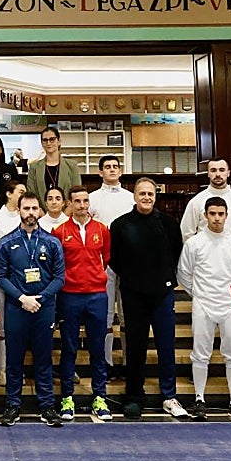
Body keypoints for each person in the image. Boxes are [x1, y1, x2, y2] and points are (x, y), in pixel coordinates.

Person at [109, 178, 187, 419]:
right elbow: (115, 259)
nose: (146, 197)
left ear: (156, 196)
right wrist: (134, 279)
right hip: (133, 294)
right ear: (134, 196)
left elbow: (175, 253)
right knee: (135, 347)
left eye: (150, 194)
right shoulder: (120, 225)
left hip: (163, 294)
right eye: (142, 193)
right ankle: (134, 396)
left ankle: (169, 396)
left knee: (166, 346)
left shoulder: (169, 224)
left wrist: (162, 279)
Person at [177, 197, 231, 422]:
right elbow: (184, 274)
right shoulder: (194, 243)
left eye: (221, 214)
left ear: (227, 216)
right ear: (205, 216)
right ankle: (199, 399)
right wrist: (200, 295)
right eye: (212, 214)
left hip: (230, 305)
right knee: (201, 353)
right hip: (203, 304)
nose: (217, 218)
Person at [0, 194, 66, 426]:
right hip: (17, 307)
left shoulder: (52, 241)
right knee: (14, 359)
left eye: (34, 208)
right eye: (26, 208)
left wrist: (41, 297)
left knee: (43, 359)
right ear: (19, 210)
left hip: (44, 307)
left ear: (40, 211)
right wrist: (22, 298)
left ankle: (47, 406)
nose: (30, 212)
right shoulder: (7, 242)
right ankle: (12, 405)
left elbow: (59, 278)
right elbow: (2, 277)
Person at [52, 185, 113, 422]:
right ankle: (67, 396)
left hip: (97, 295)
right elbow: (58, 264)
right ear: (70, 204)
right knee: (69, 348)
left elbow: (105, 258)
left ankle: (100, 397)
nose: (82, 206)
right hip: (70, 295)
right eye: (77, 201)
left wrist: (94, 278)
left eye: (85, 201)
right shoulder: (60, 231)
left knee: (97, 348)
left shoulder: (102, 230)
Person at [89, 155, 134, 377]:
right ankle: (106, 363)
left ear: (120, 170)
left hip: (127, 261)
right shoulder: (92, 198)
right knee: (105, 314)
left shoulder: (130, 198)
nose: (112, 170)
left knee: (126, 313)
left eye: (115, 167)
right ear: (100, 172)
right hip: (101, 262)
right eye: (107, 167)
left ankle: (127, 362)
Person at [0, 180, 25, 386]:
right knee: (2, 323)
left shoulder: (26, 216)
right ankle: (3, 368)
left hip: (26, 280)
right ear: (9, 194)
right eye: (20, 192)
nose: (23, 194)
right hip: (3, 277)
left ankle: (16, 368)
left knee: (21, 326)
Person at [181, 158, 231, 241]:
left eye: (222, 170)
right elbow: (187, 233)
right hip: (204, 253)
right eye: (213, 170)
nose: (218, 174)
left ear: (228, 173)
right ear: (208, 174)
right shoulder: (196, 201)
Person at [26, 126, 80, 208]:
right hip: (41, 216)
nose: (48, 143)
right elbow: (32, 195)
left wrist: (64, 216)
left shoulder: (72, 165)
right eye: (45, 140)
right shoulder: (34, 167)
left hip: (66, 215)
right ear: (42, 143)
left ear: (59, 141)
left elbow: (77, 194)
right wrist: (45, 217)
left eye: (52, 139)